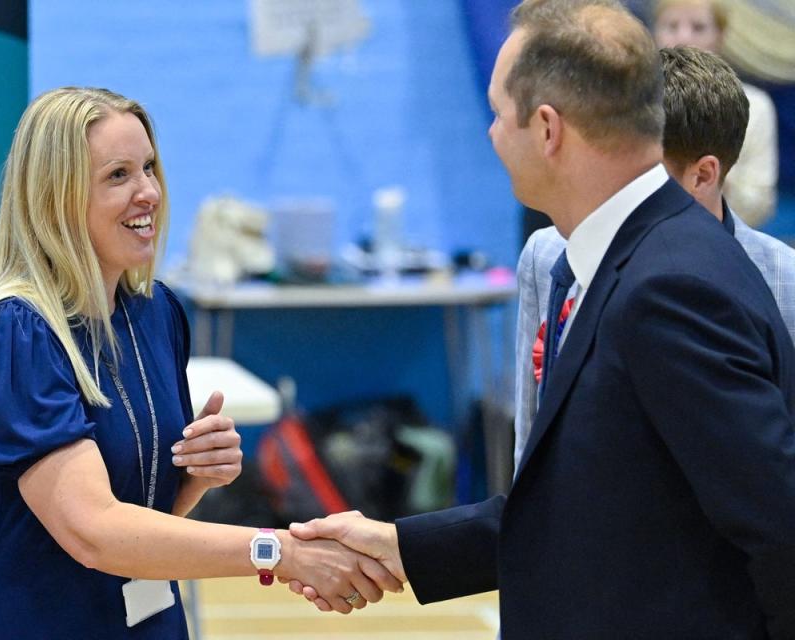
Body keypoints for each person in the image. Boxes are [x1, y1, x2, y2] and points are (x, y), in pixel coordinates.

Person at [286, 1, 795, 637]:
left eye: (500, 115)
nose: (492, 135)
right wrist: (400, 544)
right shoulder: (621, 260)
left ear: (548, 130)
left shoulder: (670, 285)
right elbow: (591, 510)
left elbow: (778, 523)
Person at [0, 87, 401, 639]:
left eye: (150, 168)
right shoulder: (16, 333)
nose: (149, 193)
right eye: (118, 175)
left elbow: (146, 514)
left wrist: (197, 477)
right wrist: (277, 551)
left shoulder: (156, 313)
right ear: (54, 197)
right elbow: (95, 532)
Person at [513, 44, 795, 470]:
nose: (620, 191)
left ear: (703, 175)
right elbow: (531, 449)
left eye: (643, 177)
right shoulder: (550, 254)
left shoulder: (782, 276)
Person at [653, 0, 778, 228]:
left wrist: (713, 179)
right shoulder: (637, 102)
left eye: (698, 27)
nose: (684, 38)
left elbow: (760, 205)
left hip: (729, 235)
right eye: (671, 26)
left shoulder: (757, 106)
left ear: (720, 36)